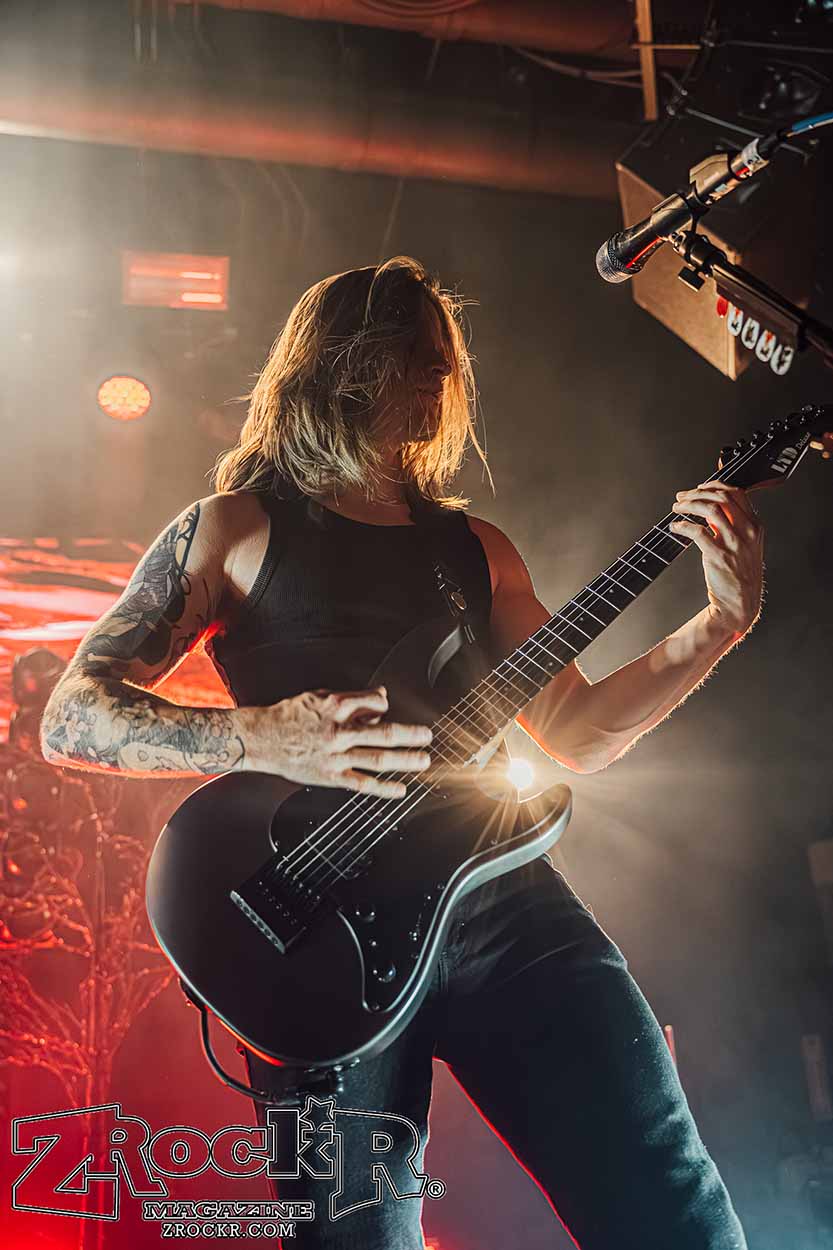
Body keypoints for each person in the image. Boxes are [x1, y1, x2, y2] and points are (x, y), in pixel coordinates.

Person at [39, 256, 760, 1248]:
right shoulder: (235, 527)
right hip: (312, 931)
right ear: (343, 361)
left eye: (444, 358)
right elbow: (72, 716)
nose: (441, 376)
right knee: (357, 1237)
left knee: (666, 1197)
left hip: (500, 897)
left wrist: (716, 625)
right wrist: (259, 735)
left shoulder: (474, 548)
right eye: (416, 353)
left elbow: (578, 731)